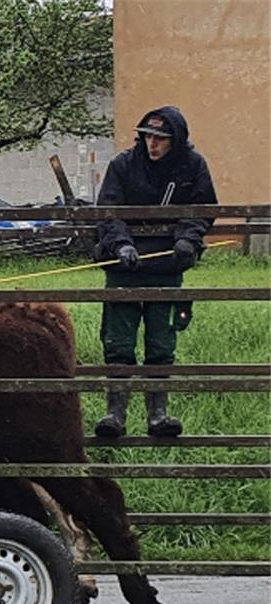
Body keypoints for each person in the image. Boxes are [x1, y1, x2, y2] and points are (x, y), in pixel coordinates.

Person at [91, 106, 215, 439]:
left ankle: (158, 415)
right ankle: (114, 414)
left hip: (166, 266)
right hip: (124, 268)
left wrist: (188, 240)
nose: (153, 144)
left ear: (175, 140)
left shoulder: (193, 166)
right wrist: (120, 245)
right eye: (148, 137)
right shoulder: (123, 165)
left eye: (160, 138)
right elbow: (108, 210)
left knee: (161, 342)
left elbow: (203, 210)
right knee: (118, 342)